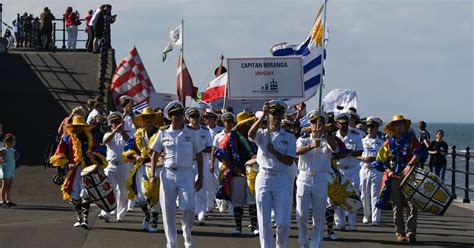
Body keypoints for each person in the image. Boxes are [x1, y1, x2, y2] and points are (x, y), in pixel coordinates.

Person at [149, 101, 204, 248]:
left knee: (188, 207)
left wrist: (201, 177)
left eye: (180, 114)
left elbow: (199, 155)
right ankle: (171, 242)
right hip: (168, 174)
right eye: (175, 115)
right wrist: (152, 174)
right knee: (168, 210)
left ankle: (187, 234)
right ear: (170, 117)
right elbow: (154, 154)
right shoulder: (163, 132)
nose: (179, 117)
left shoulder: (192, 133)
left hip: (187, 174)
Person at [248, 101, 296, 248]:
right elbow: (250, 134)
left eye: (278, 114)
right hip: (264, 177)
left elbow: (289, 160)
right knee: (264, 221)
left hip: (281, 178)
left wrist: (274, 151)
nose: (275, 117)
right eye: (273, 114)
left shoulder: (289, 137)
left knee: (283, 222)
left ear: (282, 116)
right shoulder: (262, 133)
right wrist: (262, 116)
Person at [373, 115, 427, 243]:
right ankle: (400, 233)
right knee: (396, 206)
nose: (399, 126)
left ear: (405, 126)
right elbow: (380, 160)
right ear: (393, 127)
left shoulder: (412, 140)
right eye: (396, 124)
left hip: (411, 176)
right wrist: (389, 171)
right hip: (395, 177)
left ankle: (411, 232)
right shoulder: (388, 143)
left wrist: (409, 166)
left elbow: (420, 153)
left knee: (412, 205)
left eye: (401, 124)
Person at [50, 116, 108, 228]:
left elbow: (100, 151)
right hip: (73, 171)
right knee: (74, 195)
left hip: (87, 170)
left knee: (85, 194)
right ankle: (79, 218)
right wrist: (67, 163)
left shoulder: (90, 138)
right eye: (76, 127)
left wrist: (93, 156)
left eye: (80, 126)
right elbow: (59, 154)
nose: (78, 129)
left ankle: (85, 220)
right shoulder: (67, 139)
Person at [295, 110, 338, 248]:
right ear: (310, 124)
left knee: (318, 216)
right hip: (304, 177)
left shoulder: (328, 139)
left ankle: (315, 244)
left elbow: (336, 149)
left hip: (320, 178)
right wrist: (311, 145)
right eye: (313, 122)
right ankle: (303, 242)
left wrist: (325, 133)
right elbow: (296, 151)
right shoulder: (303, 139)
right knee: (301, 215)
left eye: (320, 122)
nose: (316, 125)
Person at [214, 111, 259, 236]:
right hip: (237, 174)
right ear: (241, 124)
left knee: (252, 200)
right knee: (238, 202)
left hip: (252, 172)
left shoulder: (254, 135)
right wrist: (233, 168)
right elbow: (220, 154)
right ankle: (238, 227)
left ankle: (254, 227)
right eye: (247, 122)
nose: (250, 124)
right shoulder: (230, 137)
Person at [122, 107, 163, 232]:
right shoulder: (138, 134)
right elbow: (128, 147)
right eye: (146, 118)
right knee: (140, 197)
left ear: (154, 119)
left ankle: (155, 223)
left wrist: (161, 156)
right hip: (141, 167)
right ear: (142, 120)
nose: (148, 120)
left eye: (150, 117)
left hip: (157, 167)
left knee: (154, 194)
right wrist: (135, 155)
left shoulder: (161, 133)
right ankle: (147, 216)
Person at [97, 112, 130, 222]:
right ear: (111, 124)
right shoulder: (108, 134)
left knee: (123, 191)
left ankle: (120, 215)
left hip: (123, 166)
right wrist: (115, 131)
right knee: (108, 189)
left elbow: (129, 141)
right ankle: (105, 212)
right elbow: (105, 141)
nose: (116, 124)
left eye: (118, 122)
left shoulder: (125, 134)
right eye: (114, 122)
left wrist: (122, 131)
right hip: (110, 166)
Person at [334, 113, 363, 231]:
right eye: (342, 124)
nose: (344, 126)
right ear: (337, 125)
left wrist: (348, 152)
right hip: (339, 169)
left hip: (352, 169)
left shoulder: (356, 135)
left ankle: (352, 224)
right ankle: (339, 223)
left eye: (346, 123)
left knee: (353, 195)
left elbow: (360, 152)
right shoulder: (334, 137)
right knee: (338, 196)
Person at [185, 107, 213, 226]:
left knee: (202, 186)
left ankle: (201, 213)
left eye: (196, 117)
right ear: (189, 119)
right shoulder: (185, 130)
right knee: (189, 187)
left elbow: (210, 146)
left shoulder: (205, 131)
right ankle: (193, 210)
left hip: (202, 161)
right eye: (192, 117)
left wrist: (199, 150)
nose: (195, 119)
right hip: (187, 162)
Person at [357, 117, 384, 226]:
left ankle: (375, 219)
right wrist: (362, 158)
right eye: (368, 127)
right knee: (364, 194)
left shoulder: (381, 142)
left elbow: (384, 157)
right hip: (364, 169)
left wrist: (374, 159)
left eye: (373, 127)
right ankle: (366, 215)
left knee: (375, 195)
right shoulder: (362, 141)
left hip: (376, 170)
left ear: (377, 128)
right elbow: (355, 154)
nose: (370, 129)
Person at [203, 109, 223, 212]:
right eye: (205, 118)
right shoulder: (203, 130)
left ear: (214, 118)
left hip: (218, 159)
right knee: (207, 182)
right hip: (206, 158)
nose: (206, 119)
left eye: (208, 117)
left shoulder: (221, 130)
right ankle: (209, 204)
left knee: (217, 181)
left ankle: (220, 201)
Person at [0, 134, 18, 208]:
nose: (14, 143)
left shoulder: (13, 150)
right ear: (8, 142)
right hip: (6, 169)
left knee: (9, 186)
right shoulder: (3, 150)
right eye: (13, 142)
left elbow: (13, 158)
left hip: (12, 169)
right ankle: (2, 201)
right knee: (4, 186)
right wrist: (2, 162)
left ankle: (8, 201)